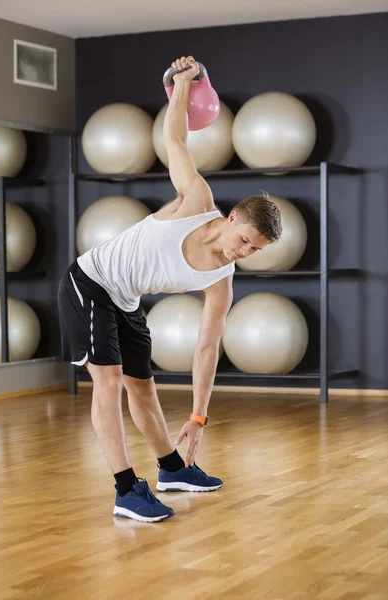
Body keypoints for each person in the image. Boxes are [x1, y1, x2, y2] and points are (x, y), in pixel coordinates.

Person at [58, 55, 282, 523]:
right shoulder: (196, 200)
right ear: (232, 217)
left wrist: (199, 417)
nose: (243, 252)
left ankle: (172, 468)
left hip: (125, 297)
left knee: (144, 387)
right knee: (110, 381)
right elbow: (175, 138)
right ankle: (125, 490)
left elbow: (207, 348)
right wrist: (182, 84)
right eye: (244, 240)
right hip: (90, 282)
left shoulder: (222, 281)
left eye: (254, 251)